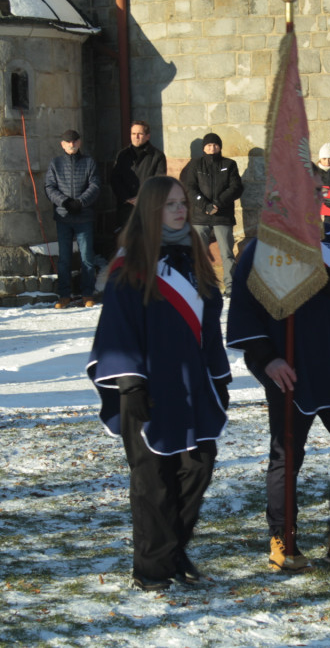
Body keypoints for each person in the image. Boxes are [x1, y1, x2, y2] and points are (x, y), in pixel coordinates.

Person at [86, 176, 230, 592]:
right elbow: (117, 328)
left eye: (182, 203)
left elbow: (209, 329)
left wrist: (218, 379)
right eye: (170, 205)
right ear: (151, 211)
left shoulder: (196, 258)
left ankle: (171, 553)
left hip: (192, 384)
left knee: (198, 466)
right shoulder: (129, 264)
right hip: (145, 388)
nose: (180, 210)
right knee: (153, 479)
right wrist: (130, 384)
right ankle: (152, 568)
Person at [226, 218, 330, 572]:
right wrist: (267, 359)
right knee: (287, 455)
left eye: (317, 192)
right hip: (290, 367)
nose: (313, 201)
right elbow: (244, 309)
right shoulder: (261, 248)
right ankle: (283, 538)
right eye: (306, 191)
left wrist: (321, 273)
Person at [44, 129, 102, 309]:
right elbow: (49, 187)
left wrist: (80, 202)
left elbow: (95, 185)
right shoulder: (56, 163)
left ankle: (87, 293)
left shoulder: (88, 162)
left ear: (79, 143)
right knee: (64, 259)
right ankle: (64, 295)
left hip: (84, 216)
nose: (72, 145)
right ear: (62, 144)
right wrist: (65, 202)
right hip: (64, 217)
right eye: (68, 142)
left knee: (86, 257)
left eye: (75, 141)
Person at [188, 133, 244, 296]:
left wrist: (218, 204)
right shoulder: (196, 164)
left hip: (222, 216)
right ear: (204, 147)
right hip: (200, 215)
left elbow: (236, 188)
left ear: (220, 146)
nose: (212, 148)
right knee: (199, 253)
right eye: (208, 145)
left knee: (226, 253)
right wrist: (205, 205)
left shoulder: (229, 164)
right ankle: (199, 284)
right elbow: (190, 188)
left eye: (215, 145)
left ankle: (230, 286)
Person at [110, 120, 167, 231]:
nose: (136, 137)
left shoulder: (157, 156)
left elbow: (159, 181)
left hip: (148, 207)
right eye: (133, 134)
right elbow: (115, 179)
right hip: (126, 208)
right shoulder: (122, 155)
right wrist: (128, 198)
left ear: (147, 136)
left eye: (140, 134)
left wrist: (141, 198)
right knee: (127, 244)